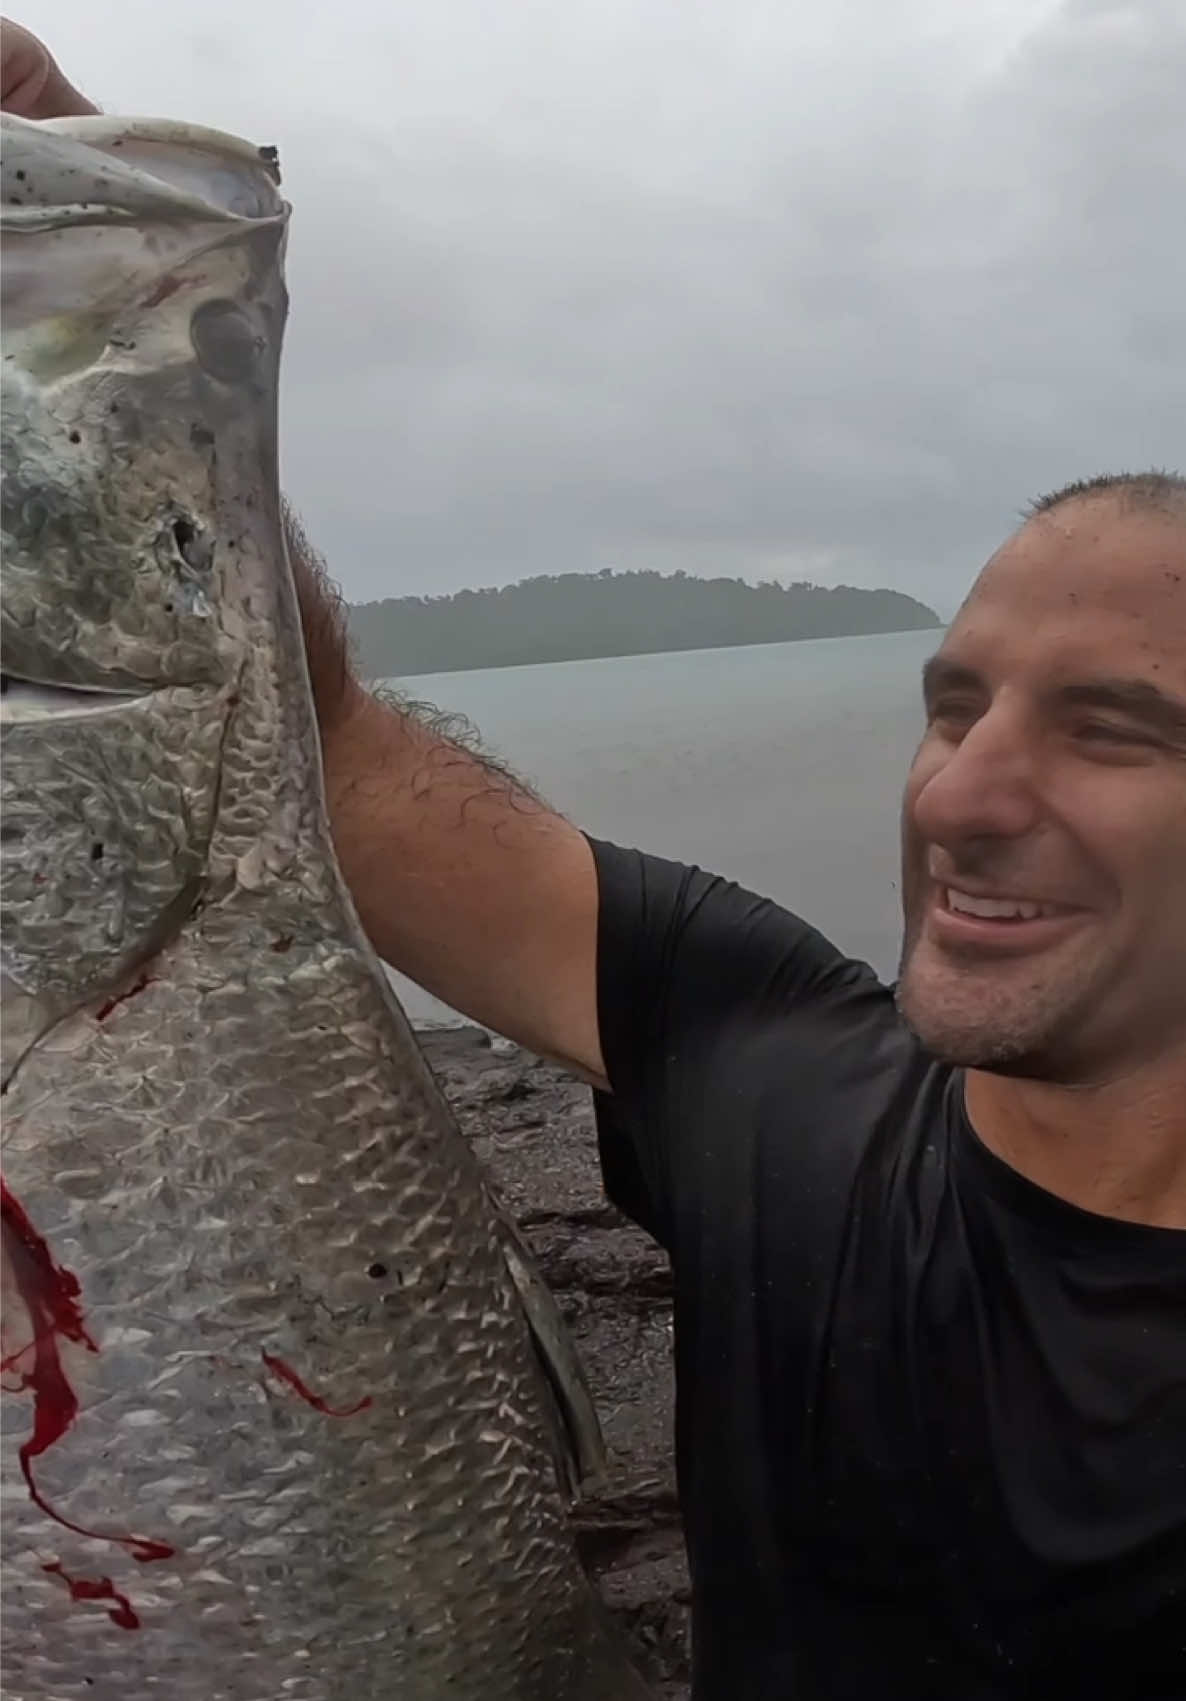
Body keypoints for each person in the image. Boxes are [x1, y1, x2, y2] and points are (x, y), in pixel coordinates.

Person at [5, 24, 1185, 1698]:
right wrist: (95, 313)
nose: (963, 794)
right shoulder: (778, 1066)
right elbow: (319, 744)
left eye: (1113, 730)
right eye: (951, 705)